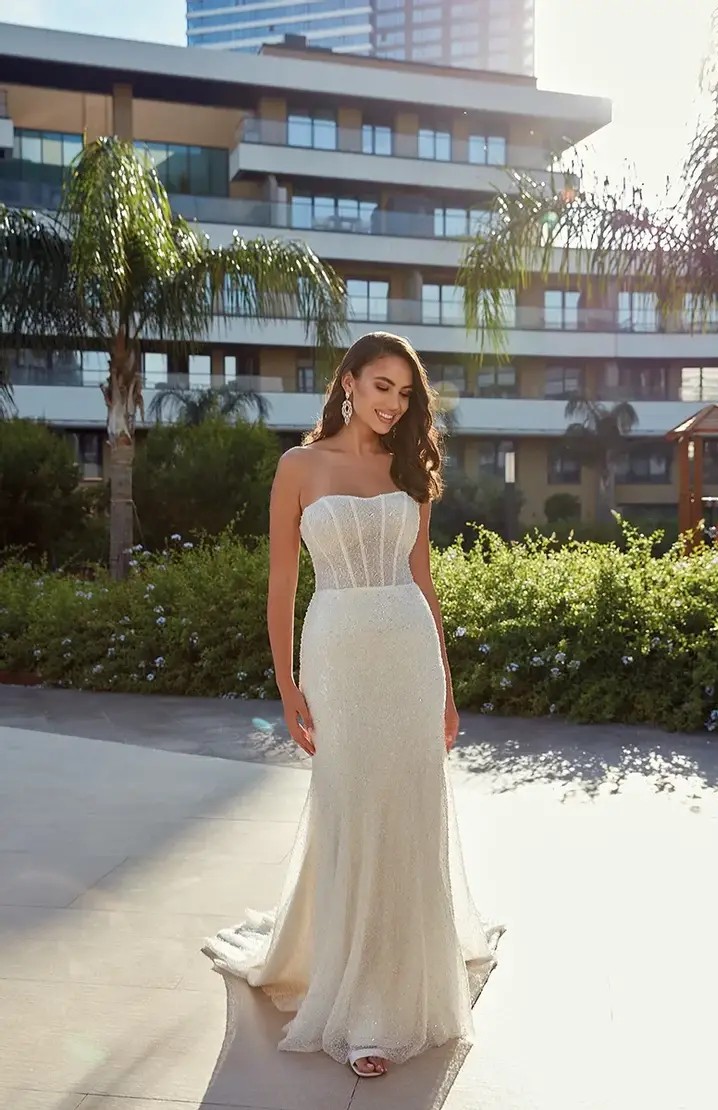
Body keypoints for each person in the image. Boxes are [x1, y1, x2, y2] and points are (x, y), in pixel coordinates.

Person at [202, 332, 504, 1078]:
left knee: (406, 807)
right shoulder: (298, 468)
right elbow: (279, 587)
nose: (393, 404)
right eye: (381, 387)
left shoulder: (410, 467)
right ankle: (349, 980)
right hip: (335, 652)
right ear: (347, 382)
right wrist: (286, 685)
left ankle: (390, 996)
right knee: (350, 805)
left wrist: (447, 684)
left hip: (406, 653)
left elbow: (422, 581)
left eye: (405, 394)